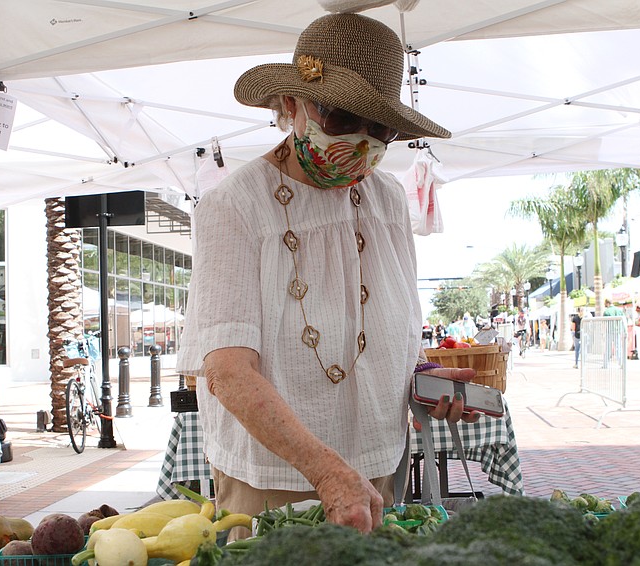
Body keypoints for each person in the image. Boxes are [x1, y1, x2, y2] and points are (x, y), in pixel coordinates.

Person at [176, 13, 480, 537]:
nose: (362, 143)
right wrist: (326, 472)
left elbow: (395, 327)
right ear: (290, 105)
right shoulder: (235, 206)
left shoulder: (386, 199)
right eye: (342, 119)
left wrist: (422, 377)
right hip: (276, 476)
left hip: (378, 462)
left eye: (379, 128)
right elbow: (227, 370)